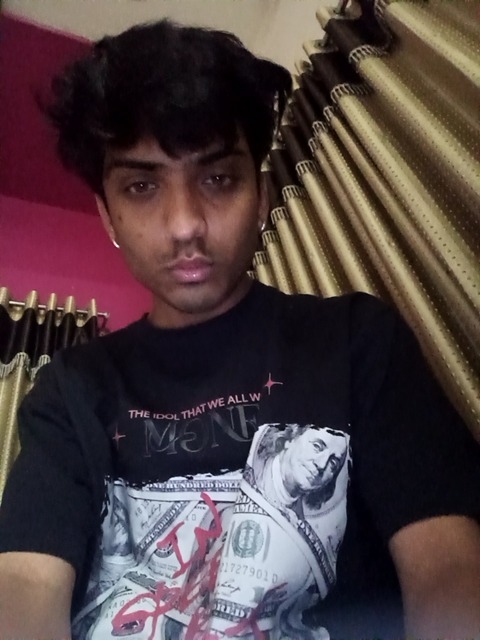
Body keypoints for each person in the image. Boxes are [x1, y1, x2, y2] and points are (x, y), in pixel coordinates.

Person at [0, 17, 480, 640]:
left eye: (218, 178)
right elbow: (24, 582)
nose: (185, 225)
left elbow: (447, 565)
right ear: (108, 214)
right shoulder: (69, 390)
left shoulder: (358, 340)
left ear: (260, 191)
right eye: (142, 186)